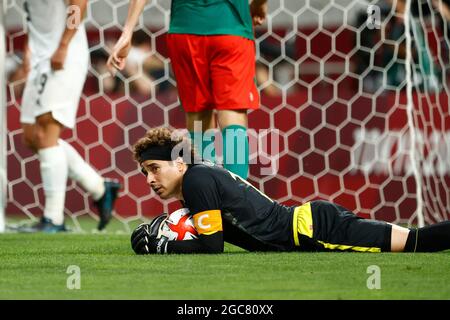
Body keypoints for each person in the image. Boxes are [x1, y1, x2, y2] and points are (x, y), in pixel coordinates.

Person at [129, 127, 450, 254]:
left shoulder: (197, 181)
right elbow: (223, 233)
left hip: (313, 230)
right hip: (309, 224)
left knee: (415, 244)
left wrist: (163, 247)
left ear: (179, 164)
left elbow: (211, 248)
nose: (149, 179)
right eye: (145, 173)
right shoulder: (198, 180)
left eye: (155, 168)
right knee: (413, 240)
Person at [107, 0, 268, 180]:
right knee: (232, 114)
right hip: (231, 27)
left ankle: (208, 198)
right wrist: (259, 5)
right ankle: (238, 199)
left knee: (198, 115)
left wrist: (127, 31)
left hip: (186, 29)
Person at [18, 0, 120, 232]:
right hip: (39, 57)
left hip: (64, 56)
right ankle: (100, 188)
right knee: (32, 137)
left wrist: (64, 44)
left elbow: (78, 4)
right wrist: (28, 48)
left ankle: (53, 219)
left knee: (46, 133)